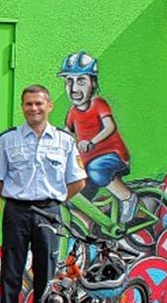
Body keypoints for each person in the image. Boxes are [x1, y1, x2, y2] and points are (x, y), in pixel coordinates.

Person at [0, 84, 86, 303]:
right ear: (23, 107)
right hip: (17, 211)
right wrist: (16, 197)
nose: (33, 109)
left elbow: (77, 180)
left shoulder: (65, 141)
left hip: (49, 212)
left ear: (49, 106)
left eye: (38, 104)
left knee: (46, 279)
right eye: (28, 104)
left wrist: (54, 201)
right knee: (11, 276)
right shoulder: (9, 140)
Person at [59, 52, 137, 221]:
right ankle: (92, 232)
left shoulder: (98, 104)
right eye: (69, 81)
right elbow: (66, 134)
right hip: (87, 165)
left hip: (113, 157)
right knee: (75, 197)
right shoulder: (72, 112)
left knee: (97, 169)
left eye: (81, 81)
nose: (74, 89)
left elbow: (110, 126)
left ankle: (128, 198)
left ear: (93, 83)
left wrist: (91, 141)